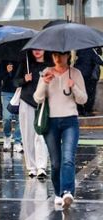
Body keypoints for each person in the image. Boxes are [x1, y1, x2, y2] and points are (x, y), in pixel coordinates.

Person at [34, 51, 87, 209]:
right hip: (51, 122)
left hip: (70, 120)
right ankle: (58, 192)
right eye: (55, 55)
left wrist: (74, 86)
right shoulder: (46, 72)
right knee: (56, 162)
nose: (58, 58)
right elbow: (37, 98)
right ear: (52, 56)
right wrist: (44, 82)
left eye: (62, 55)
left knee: (68, 158)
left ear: (68, 56)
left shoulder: (75, 73)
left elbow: (83, 99)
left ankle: (67, 192)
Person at [14, 50, 50, 179]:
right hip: (26, 101)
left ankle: (41, 166)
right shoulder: (26, 63)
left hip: (43, 104)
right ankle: (31, 167)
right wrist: (24, 79)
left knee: (40, 134)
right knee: (27, 136)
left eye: (40, 48)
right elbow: (15, 82)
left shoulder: (50, 65)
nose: (37, 51)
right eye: (35, 49)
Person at [0, 60, 23, 152]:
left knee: (19, 118)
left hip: (19, 91)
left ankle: (17, 141)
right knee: (6, 117)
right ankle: (7, 137)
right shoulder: (4, 60)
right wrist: (7, 72)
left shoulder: (23, 59)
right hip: (6, 92)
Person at [74, 47, 103, 116]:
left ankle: (80, 110)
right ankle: (87, 111)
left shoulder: (79, 50)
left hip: (79, 74)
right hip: (88, 76)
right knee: (90, 93)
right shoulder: (91, 51)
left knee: (80, 92)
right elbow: (98, 61)